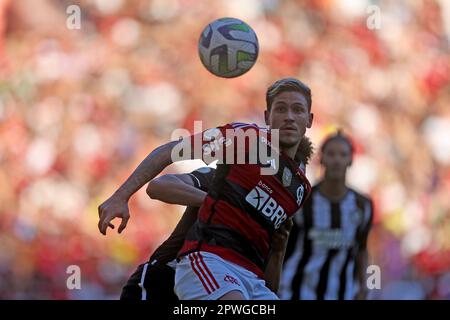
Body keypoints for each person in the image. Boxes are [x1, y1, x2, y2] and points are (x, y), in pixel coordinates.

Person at [98, 77, 314, 300]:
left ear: (309, 120)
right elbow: (166, 168)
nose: (289, 117)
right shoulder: (235, 162)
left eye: (297, 110)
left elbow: (270, 281)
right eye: (281, 109)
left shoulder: (298, 190)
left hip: (244, 279)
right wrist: (121, 196)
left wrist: (278, 250)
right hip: (169, 275)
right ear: (267, 118)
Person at [120, 136, 314, 301]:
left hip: (220, 287)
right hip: (163, 280)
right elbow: (159, 186)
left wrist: (278, 252)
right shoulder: (227, 180)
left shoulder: (274, 216)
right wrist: (220, 204)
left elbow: (263, 288)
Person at [279, 130, 374, 300]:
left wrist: (369, 287)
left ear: (351, 160)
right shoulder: (302, 199)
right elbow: (282, 247)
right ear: (321, 159)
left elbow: (363, 250)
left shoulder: (363, 206)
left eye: (343, 154)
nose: (337, 160)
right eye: (331, 154)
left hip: (341, 294)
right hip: (295, 292)